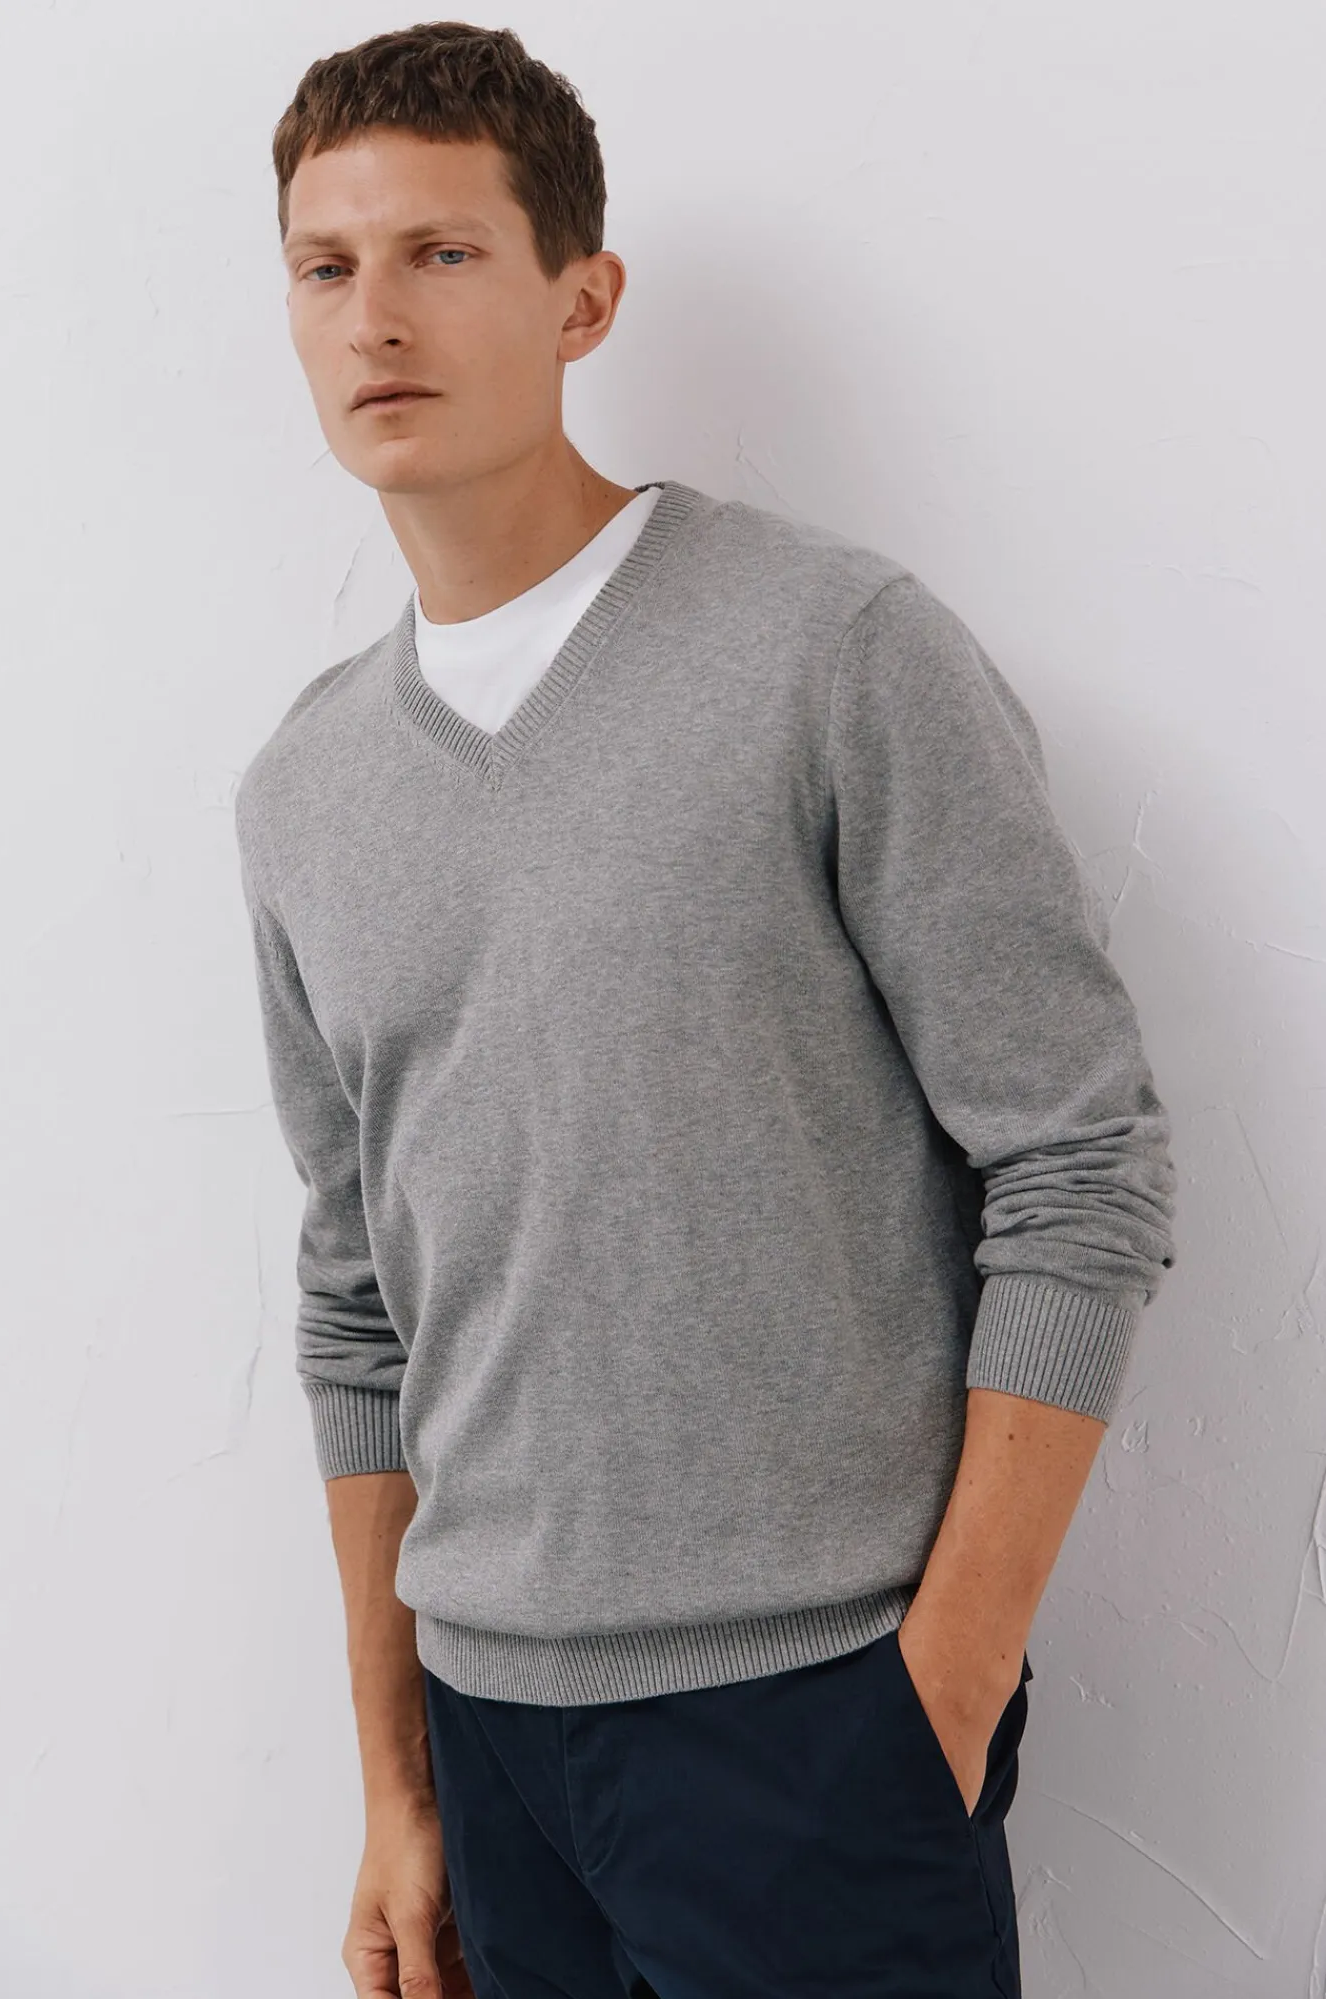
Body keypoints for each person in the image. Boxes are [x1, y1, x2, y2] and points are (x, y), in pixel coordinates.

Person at [235, 20, 1179, 1999]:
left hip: (816, 1720)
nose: (375, 316)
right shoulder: (306, 789)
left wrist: (944, 1686)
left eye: (443, 253)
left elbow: (1081, 1167)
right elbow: (355, 1306)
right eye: (328, 265)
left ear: (583, 300)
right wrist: (397, 1788)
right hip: (490, 1744)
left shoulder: (832, 652)